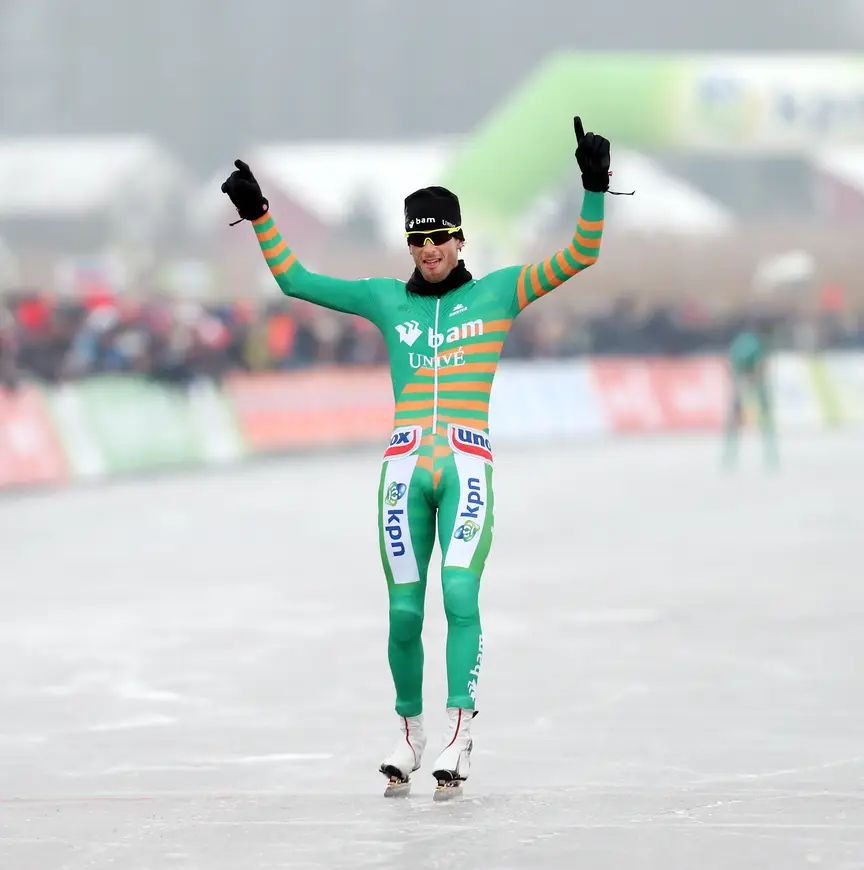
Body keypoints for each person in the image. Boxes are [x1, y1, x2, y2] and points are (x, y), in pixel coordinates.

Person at [221, 117, 611, 797]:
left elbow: (580, 254)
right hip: (403, 471)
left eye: (439, 238)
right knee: (404, 613)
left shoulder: (500, 291)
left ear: (459, 239)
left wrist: (594, 186)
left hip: (465, 466)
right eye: (418, 240)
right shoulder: (385, 298)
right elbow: (295, 280)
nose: (429, 250)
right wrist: (259, 215)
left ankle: (460, 734)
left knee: (458, 592)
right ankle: (409, 734)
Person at [723, 317, 778, 470]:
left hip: (741, 380)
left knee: (735, 420)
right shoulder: (757, 342)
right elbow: (762, 363)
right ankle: (771, 454)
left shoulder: (738, 342)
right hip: (756, 380)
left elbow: (731, 363)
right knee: (765, 417)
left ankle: (729, 455)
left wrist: (737, 380)